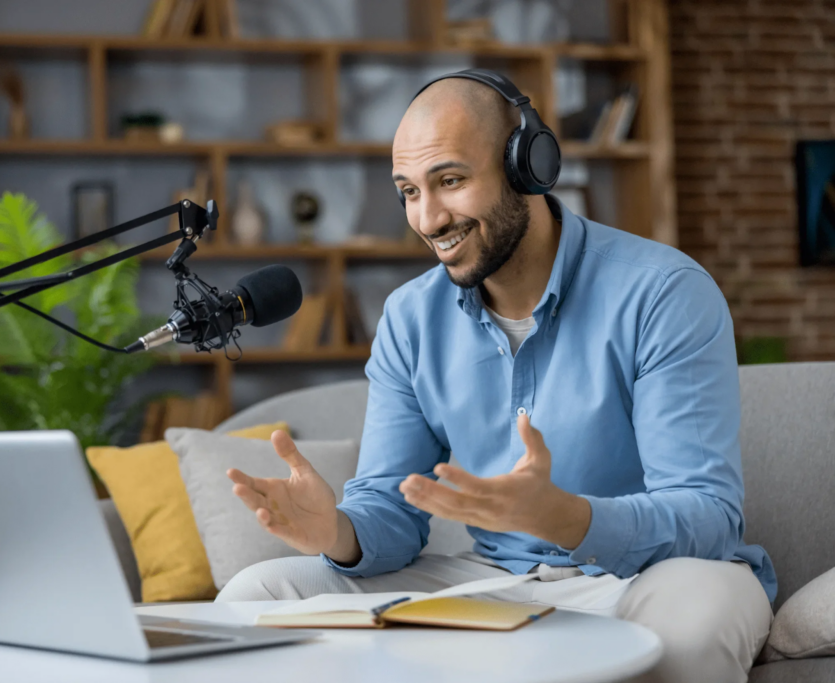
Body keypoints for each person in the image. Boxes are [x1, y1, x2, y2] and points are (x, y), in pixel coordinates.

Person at [218, 72, 775, 683]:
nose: (428, 218)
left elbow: (706, 516)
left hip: (646, 578)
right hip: (494, 580)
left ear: (527, 166)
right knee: (257, 591)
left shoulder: (662, 292)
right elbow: (391, 512)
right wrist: (339, 531)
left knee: (695, 626)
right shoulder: (409, 317)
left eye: (450, 181)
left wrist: (565, 517)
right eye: (409, 191)